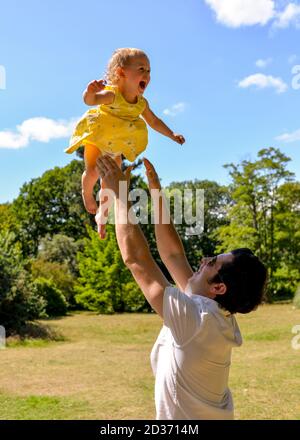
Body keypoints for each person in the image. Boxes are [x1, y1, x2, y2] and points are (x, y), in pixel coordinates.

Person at [96, 155, 268, 420]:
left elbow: (137, 260)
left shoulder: (196, 320)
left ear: (219, 288)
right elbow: (173, 255)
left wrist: (119, 192)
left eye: (211, 263)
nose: (203, 260)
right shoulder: (214, 313)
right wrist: (155, 191)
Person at [65, 47, 185, 238]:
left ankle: (102, 216)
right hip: (99, 136)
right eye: (141, 69)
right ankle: (86, 193)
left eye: (148, 70)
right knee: (94, 171)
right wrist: (89, 92)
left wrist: (171, 134)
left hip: (118, 144)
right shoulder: (112, 94)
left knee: (112, 182)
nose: (147, 74)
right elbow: (91, 101)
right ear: (121, 73)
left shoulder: (141, 103)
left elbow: (153, 121)